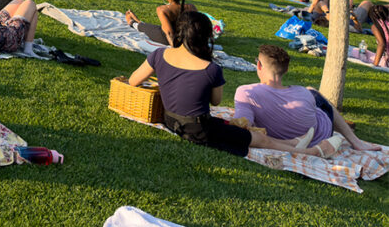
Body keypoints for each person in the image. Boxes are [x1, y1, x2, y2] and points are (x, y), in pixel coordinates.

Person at [127, 12, 325, 158]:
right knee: (258, 139)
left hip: (170, 120)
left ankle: (291, 143)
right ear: (206, 37)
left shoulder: (159, 55)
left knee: (235, 129)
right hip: (198, 130)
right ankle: (306, 151)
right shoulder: (210, 69)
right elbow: (215, 101)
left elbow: (133, 81)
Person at [234, 45, 379, 155]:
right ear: (286, 70)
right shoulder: (302, 93)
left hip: (304, 134)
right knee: (313, 92)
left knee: (313, 93)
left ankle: (353, 138)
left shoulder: (246, 92)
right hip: (322, 133)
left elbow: (243, 124)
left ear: (259, 65)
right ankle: (355, 141)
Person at [123, 0, 196, 46]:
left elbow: (169, 33)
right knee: (154, 27)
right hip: (186, 37)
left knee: (146, 28)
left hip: (167, 39)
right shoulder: (191, 7)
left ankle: (132, 22)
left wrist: (174, 49)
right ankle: (138, 21)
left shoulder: (162, 9)